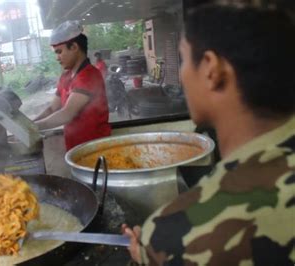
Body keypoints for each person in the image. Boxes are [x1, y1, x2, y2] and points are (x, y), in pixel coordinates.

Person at [122, 1, 295, 265]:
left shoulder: (174, 236)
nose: (181, 75)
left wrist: (146, 256)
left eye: (183, 59)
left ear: (211, 69)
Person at [34, 21, 111, 150]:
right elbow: (53, 108)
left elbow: (67, 113)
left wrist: (33, 128)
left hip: (95, 148)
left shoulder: (89, 76)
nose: (57, 58)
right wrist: (30, 124)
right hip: (75, 147)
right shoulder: (66, 76)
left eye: (59, 52)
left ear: (74, 47)